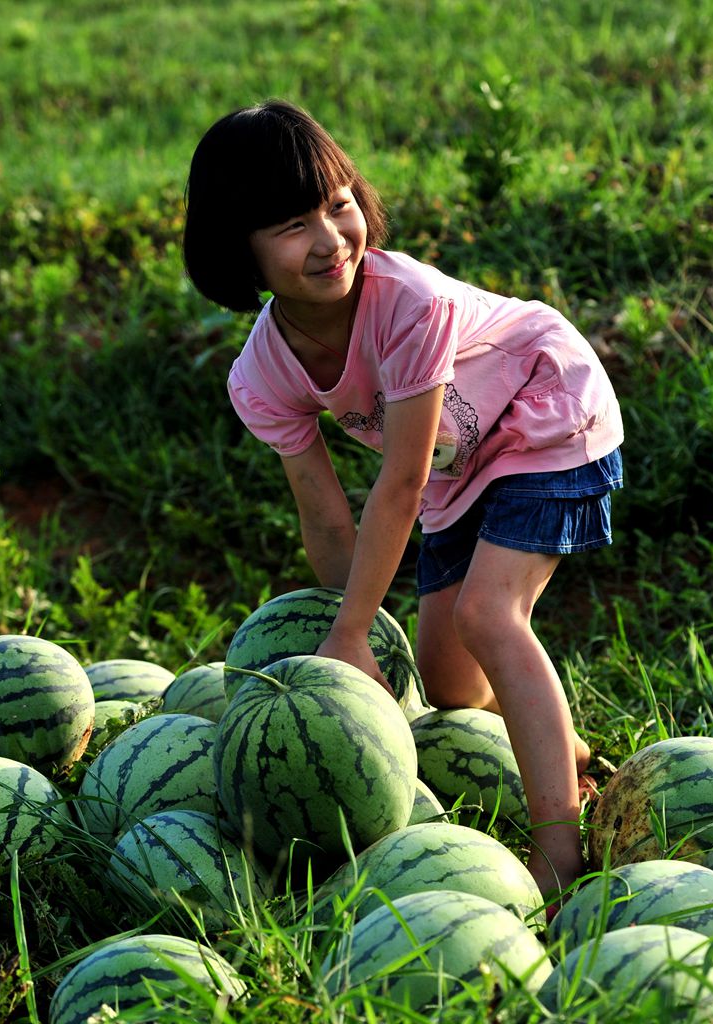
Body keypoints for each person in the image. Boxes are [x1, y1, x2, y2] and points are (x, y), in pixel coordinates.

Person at [182, 99, 624, 909]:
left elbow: (402, 481)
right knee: (453, 684)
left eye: (338, 204)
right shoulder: (261, 377)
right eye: (291, 224)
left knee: (489, 617)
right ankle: (572, 755)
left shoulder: (409, 302)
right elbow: (325, 517)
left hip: (545, 408)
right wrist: (353, 642)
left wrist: (351, 631)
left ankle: (561, 840)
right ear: (235, 246)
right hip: (467, 462)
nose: (328, 240)